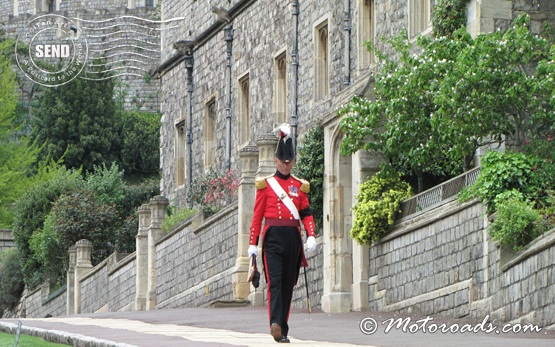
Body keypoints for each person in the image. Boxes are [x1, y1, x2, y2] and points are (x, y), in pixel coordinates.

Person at [247, 123, 317, 343]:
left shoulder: (299, 185)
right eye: (282, 162)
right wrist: (253, 245)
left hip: (293, 239)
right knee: (275, 282)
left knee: (287, 284)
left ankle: (283, 329)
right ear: (276, 160)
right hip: (273, 239)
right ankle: (274, 323)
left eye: (289, 162)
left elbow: (306, 212)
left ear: (292, 162)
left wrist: (312, 234)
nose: (286, 166)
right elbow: (257, 217)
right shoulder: (265, 185)